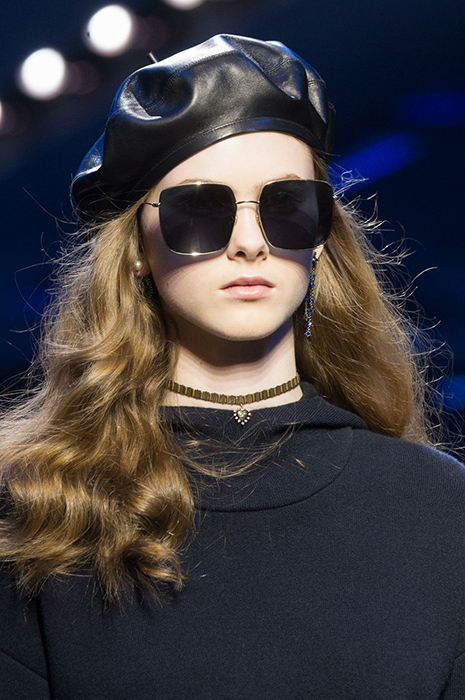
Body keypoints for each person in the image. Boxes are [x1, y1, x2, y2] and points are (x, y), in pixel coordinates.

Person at [0, 33, 464, 700]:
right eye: (200, 208)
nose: (249, 242)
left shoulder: (440, 508)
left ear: (320, 239)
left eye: (287, 205)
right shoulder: (40, 510)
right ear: (136, 249)